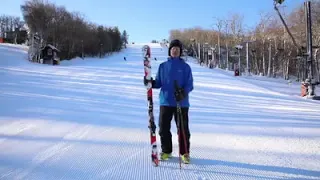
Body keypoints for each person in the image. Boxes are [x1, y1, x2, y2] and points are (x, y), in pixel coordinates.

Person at [144, 39, 194, 164]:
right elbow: (159, 82)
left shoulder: (185, 67)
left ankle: (184, 153)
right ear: (170, 51)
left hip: (181, 103)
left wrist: (183, 93)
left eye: (177, 49)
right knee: (163, 128)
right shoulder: (163, 66)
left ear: (180, 51)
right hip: (165, 101)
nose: (175, 50)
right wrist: (150, 83)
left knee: (182, 129)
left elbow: (190, 84)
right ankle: (166, 151)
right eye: (173, 49)